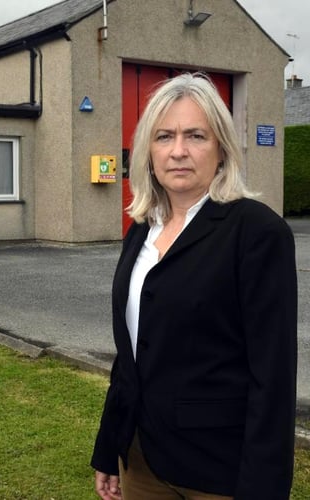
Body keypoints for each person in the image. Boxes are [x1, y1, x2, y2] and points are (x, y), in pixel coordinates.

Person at [91, 73, 297, 499]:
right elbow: (132, 353)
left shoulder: (257, 232)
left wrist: (263, 489)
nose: (178, 151)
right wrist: (108, 445)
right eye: (164, 136)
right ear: (148, 152)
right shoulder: (141, 230)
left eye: (196, 135)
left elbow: (273, 378)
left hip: (219, 469)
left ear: (221, 148)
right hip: (141, 460)